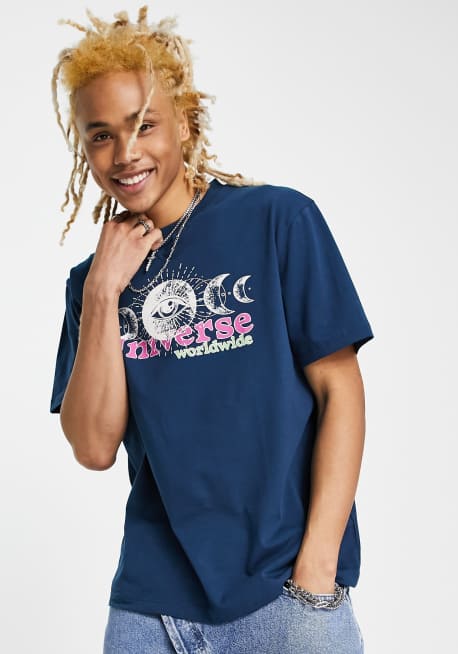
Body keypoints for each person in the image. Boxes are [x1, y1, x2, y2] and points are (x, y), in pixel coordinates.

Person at [50, 7, 374, 653]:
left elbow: (340, 390)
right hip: (150, 610)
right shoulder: (94, 281)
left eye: (144, 125)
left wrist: (315, 572)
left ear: (185, 121)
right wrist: (103, 291)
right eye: (101, 135)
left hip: (284, 594)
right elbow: (93, 446)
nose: (125, 153)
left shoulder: (276, 220)